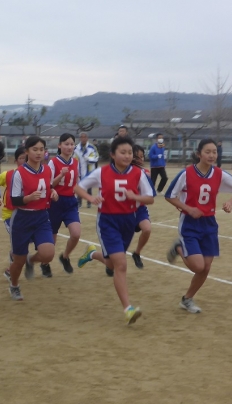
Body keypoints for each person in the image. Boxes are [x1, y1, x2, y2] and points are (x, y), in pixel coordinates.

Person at [74, 136, 154, 324]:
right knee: (121, 265)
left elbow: (150, 199)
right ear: (112, 154)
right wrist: (90, 198)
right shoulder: (101, 173)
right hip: (108, 222)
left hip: (128, 221)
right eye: (123, 152)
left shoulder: (138, 173)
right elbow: (78, 187)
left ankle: (92, 253)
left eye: (130, 153)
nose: (127, 156)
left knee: (112, 264)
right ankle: (128, 309)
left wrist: (135, 196)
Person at [165, 139, 232, 313]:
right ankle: (179, 247)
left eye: (214, 152)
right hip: (189, 223)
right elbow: (169, 195)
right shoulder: (186, 173)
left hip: (209, 224)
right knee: (198, 266)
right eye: (207, 152)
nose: (211, 155)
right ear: (199, 153)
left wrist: (230, 202)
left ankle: (187, 299)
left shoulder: (219, 173)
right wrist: (188, 209)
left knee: (206, 267)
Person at [8, 136, 58, 301]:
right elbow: (14, 199)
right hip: (22, 218)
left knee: (48, 254)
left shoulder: (47, 170)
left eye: (41, 149)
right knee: (18, 260)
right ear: (27, 151)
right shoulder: (19, 173)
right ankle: (14, 285)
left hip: (42, 217)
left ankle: (31, 260)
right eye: (34, 149)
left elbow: (48, 186)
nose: (38, 153)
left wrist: (53, 192)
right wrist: (28, 198)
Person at [48, 133, 80, 276]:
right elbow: (49, 184)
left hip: (70, 202)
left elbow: (76, 181)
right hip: (55, 202)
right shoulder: (53, 162)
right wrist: (60, 175)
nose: (69, 147)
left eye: (72, 144)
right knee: (51, 242)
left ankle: (65, 256)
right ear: (59, 145)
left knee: (76, 233)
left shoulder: (76, 162)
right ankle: (45, 263)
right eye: (66, 144)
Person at [0, 147, 26, 281]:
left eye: (27, 158)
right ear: (16, 160)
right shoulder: (8, 175)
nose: (24, 161)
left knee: (24, 242)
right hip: (10, 215)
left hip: (26, 215)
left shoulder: (36, 176)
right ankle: (10, 269)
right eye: (21, 158)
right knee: (19, 241)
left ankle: (14, 258)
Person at [129, 145, 155, 269]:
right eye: (137, 157)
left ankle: (137, 253)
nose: (140, 159)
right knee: (120, 242)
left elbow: (150, 195)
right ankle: (107, 259)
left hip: (139, 209)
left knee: (147, 229)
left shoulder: (145, 172)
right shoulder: (124, 171)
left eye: (142, 156)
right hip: (124, 211)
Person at [74, 132, 99, 208]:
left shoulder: (92, 148)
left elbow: (96, 158)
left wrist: (87, 158)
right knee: (79, 187)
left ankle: (89, 203)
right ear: (79, 138)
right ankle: (79, 202)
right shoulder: (76, 148)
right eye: (82, 137)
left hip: (90, 171)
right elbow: (74, 159)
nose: (83, 138)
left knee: (89, 188)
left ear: (87, 138)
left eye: (85, 137)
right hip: (80, 171)